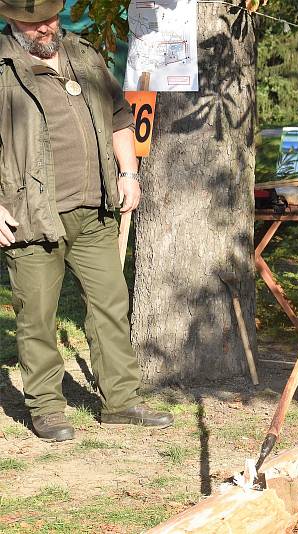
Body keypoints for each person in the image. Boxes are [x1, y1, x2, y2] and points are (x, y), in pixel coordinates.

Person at [0, 0, 173, 441]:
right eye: (35, 22)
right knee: (37, 316)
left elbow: (120, 117)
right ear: (12, 22)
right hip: (30, 218)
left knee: (111, 307)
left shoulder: (83, 53)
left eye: (52, 18)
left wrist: (129, 172)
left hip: (96, 209)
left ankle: (122, 401)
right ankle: (48, 408)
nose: (46, 28)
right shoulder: (3, 66)